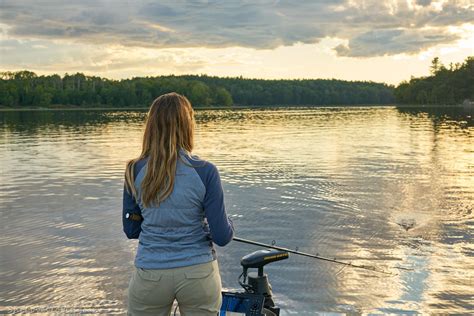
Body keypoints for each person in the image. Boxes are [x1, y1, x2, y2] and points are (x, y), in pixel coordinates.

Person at [122, 92, 234, 316]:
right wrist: (226, 224)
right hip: (198, 274)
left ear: (151, 126)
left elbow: (131, 230)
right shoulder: (205, 171)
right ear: (188, 125)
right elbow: (222, 236)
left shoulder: (134, 170)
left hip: (150, 275)